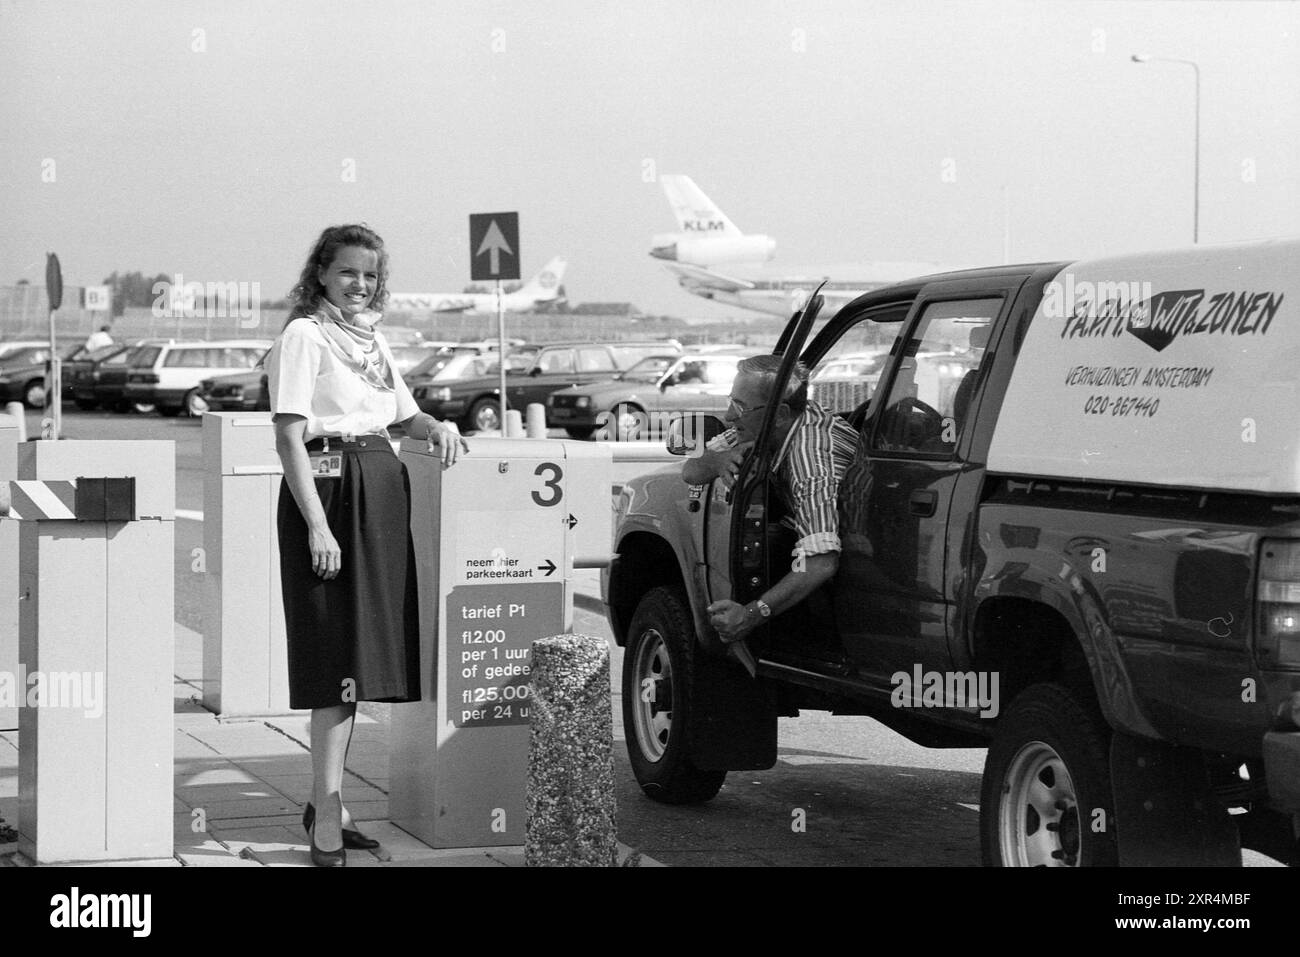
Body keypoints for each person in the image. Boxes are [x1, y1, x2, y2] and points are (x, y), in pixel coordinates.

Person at [267, 223, 469, 867]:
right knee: (334, 656)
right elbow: (289, 437)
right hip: (329, 493)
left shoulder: (371, 339)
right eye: (349, 272)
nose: (361, 285)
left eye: (372, 275)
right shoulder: (304, 335)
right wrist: (318, 527)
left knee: (366, 657)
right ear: (321, 273)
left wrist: (438, 425)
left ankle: (331, 800)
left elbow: (401, 415)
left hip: (381, 486)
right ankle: (325, 809)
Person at [682, 354, 859, 644]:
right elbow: (690, 471)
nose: (729, 415)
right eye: (732, 401)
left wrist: (752, 613)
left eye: (739, 406)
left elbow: (820, 562)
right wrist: (719, 462)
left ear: (780, 415)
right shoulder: (767, 422)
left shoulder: (811, 460)